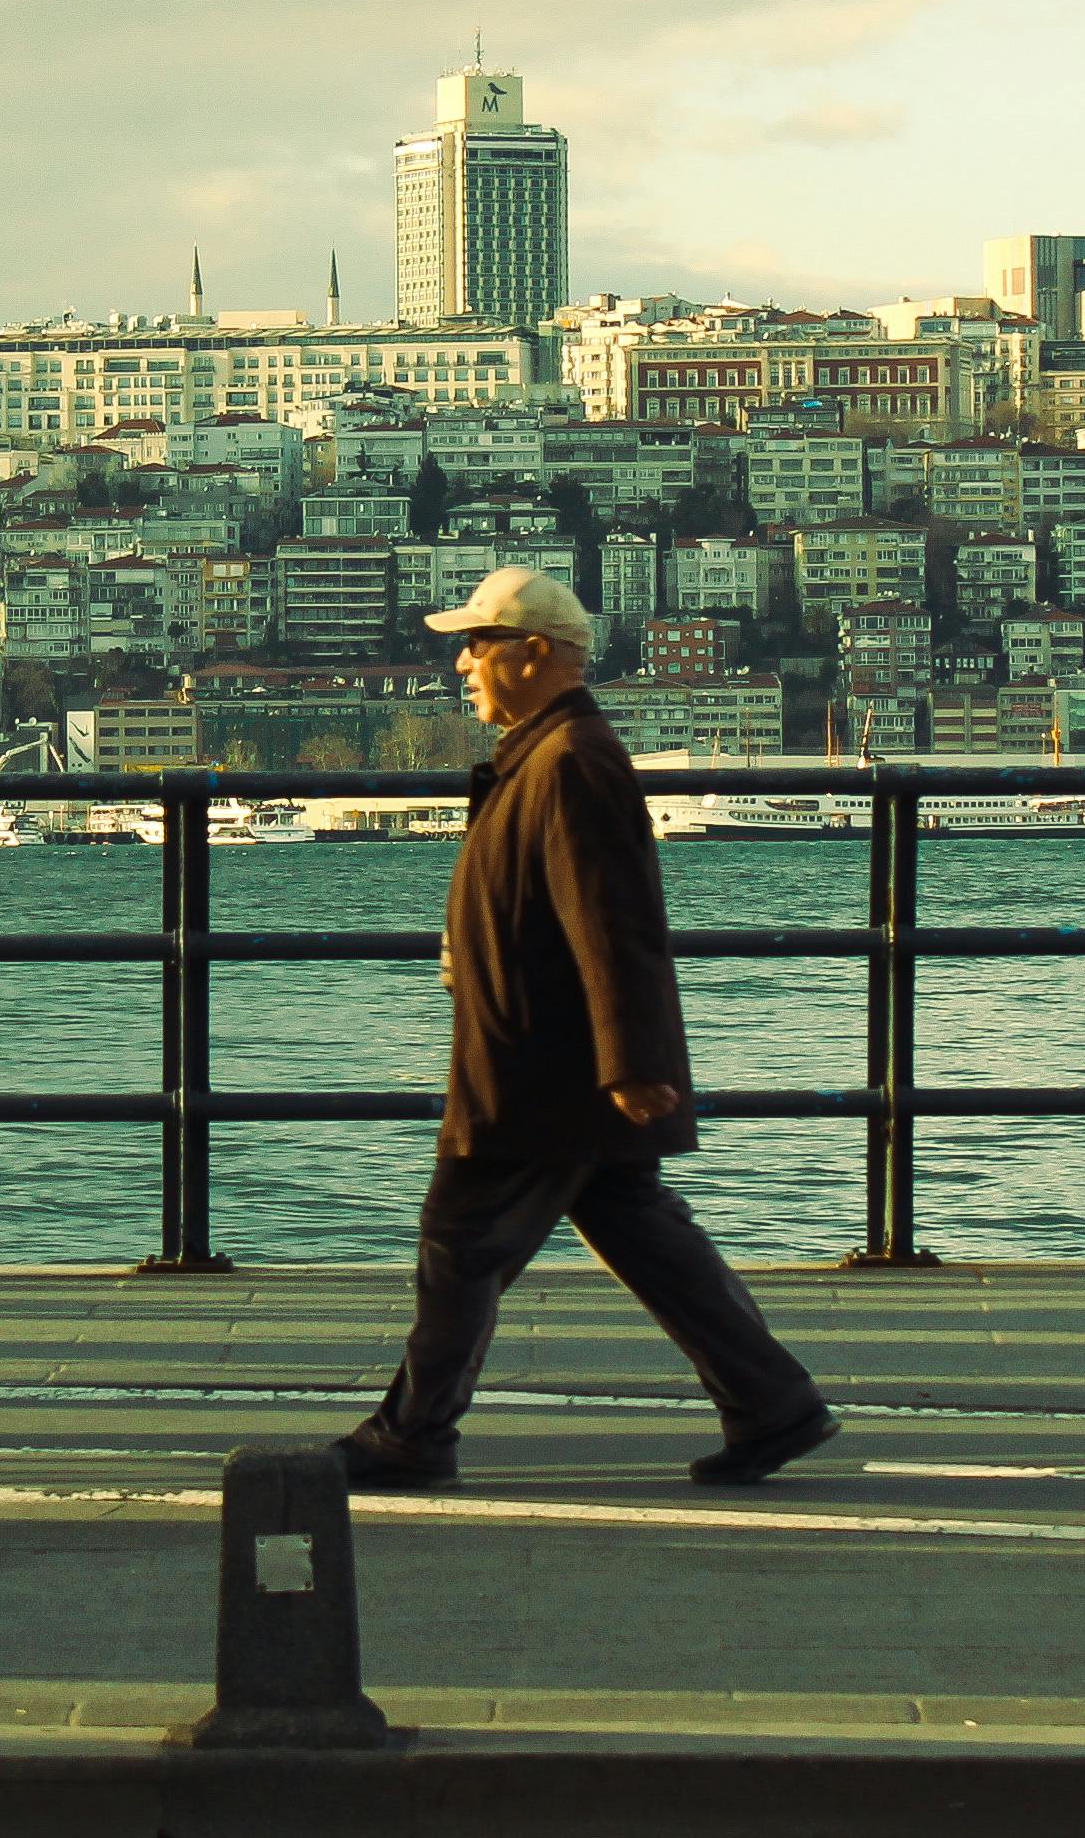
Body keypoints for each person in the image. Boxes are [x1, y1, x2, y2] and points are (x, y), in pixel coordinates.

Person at [330, 563, 834, 1494]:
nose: (463, 665)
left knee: (460, 1241)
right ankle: (773, 1404)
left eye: (477, 644)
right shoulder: (546, 754)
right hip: (551, 1055)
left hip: (540, 1066)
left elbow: (616, 920)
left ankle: (411, 1436)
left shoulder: (568, 762)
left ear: (535, 653)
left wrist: (631, 1060)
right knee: (640, 1230)